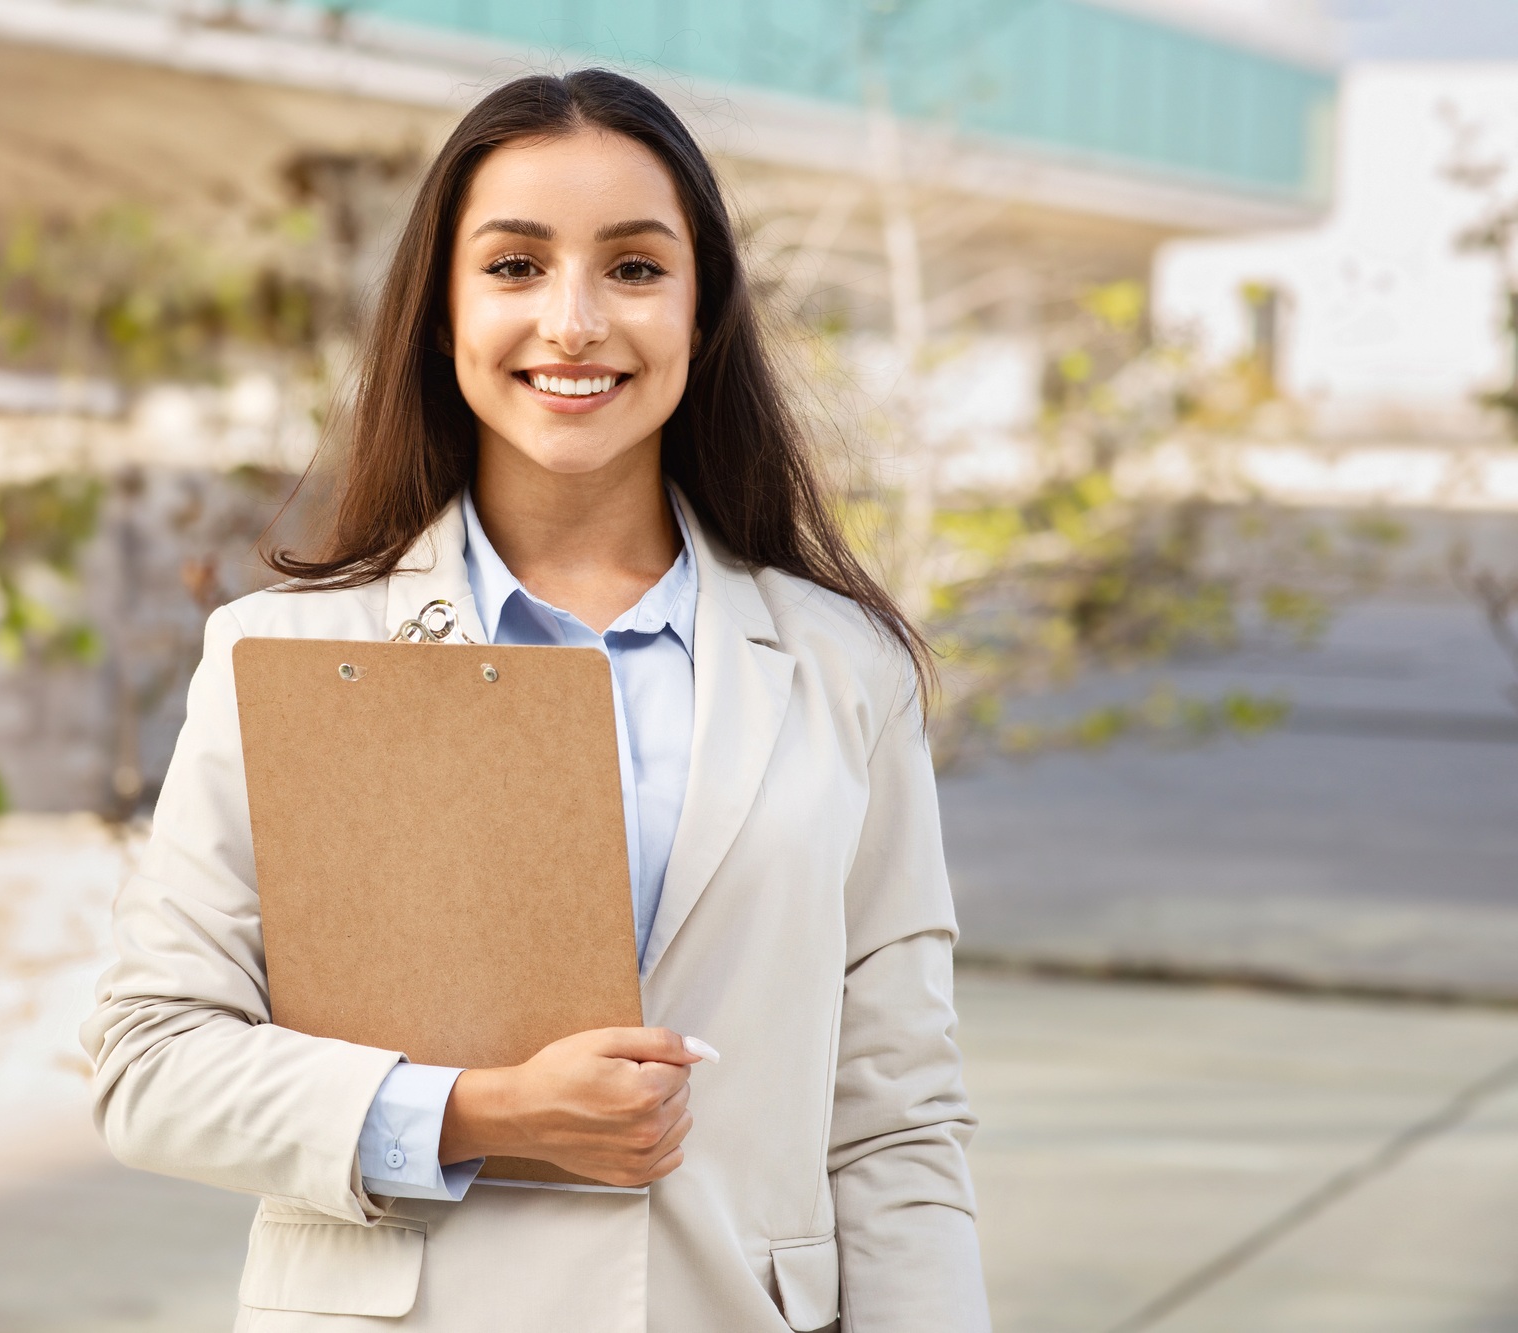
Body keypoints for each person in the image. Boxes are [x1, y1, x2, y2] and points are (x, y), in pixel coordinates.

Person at [82, 68, 990, 1332]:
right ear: (440, 309)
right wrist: (472, 1113)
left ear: (702, 309)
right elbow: (150, 1061)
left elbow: (897, 1124)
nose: (572, 321)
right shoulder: (284, 651)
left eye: (632, 267)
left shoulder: (846, 669)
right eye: (513, 266)